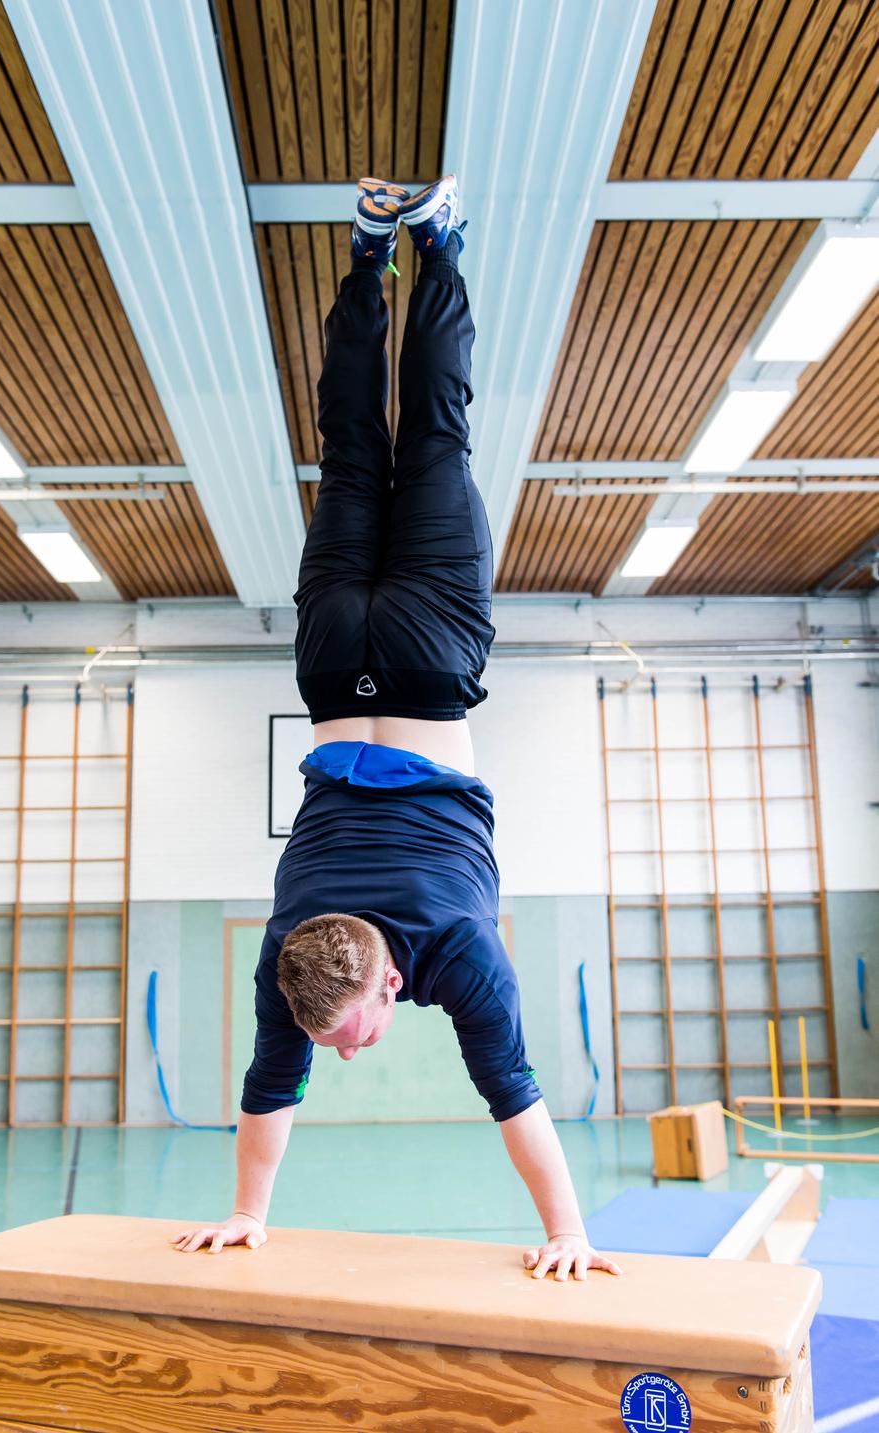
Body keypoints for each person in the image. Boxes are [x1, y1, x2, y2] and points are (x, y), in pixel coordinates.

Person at [173, 177, 621, 1284]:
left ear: (383, 983)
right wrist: (246, 1210)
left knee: (436, 439)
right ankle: (373, 250)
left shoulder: (459, 950)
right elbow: (271, 1087)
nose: (343, 1052)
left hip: (429, 664)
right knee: (346, 448)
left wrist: (570, 1230)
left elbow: (512, 1091)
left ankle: (438, 246)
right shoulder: (293, 953)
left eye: (346, 1034)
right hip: (333, 664)